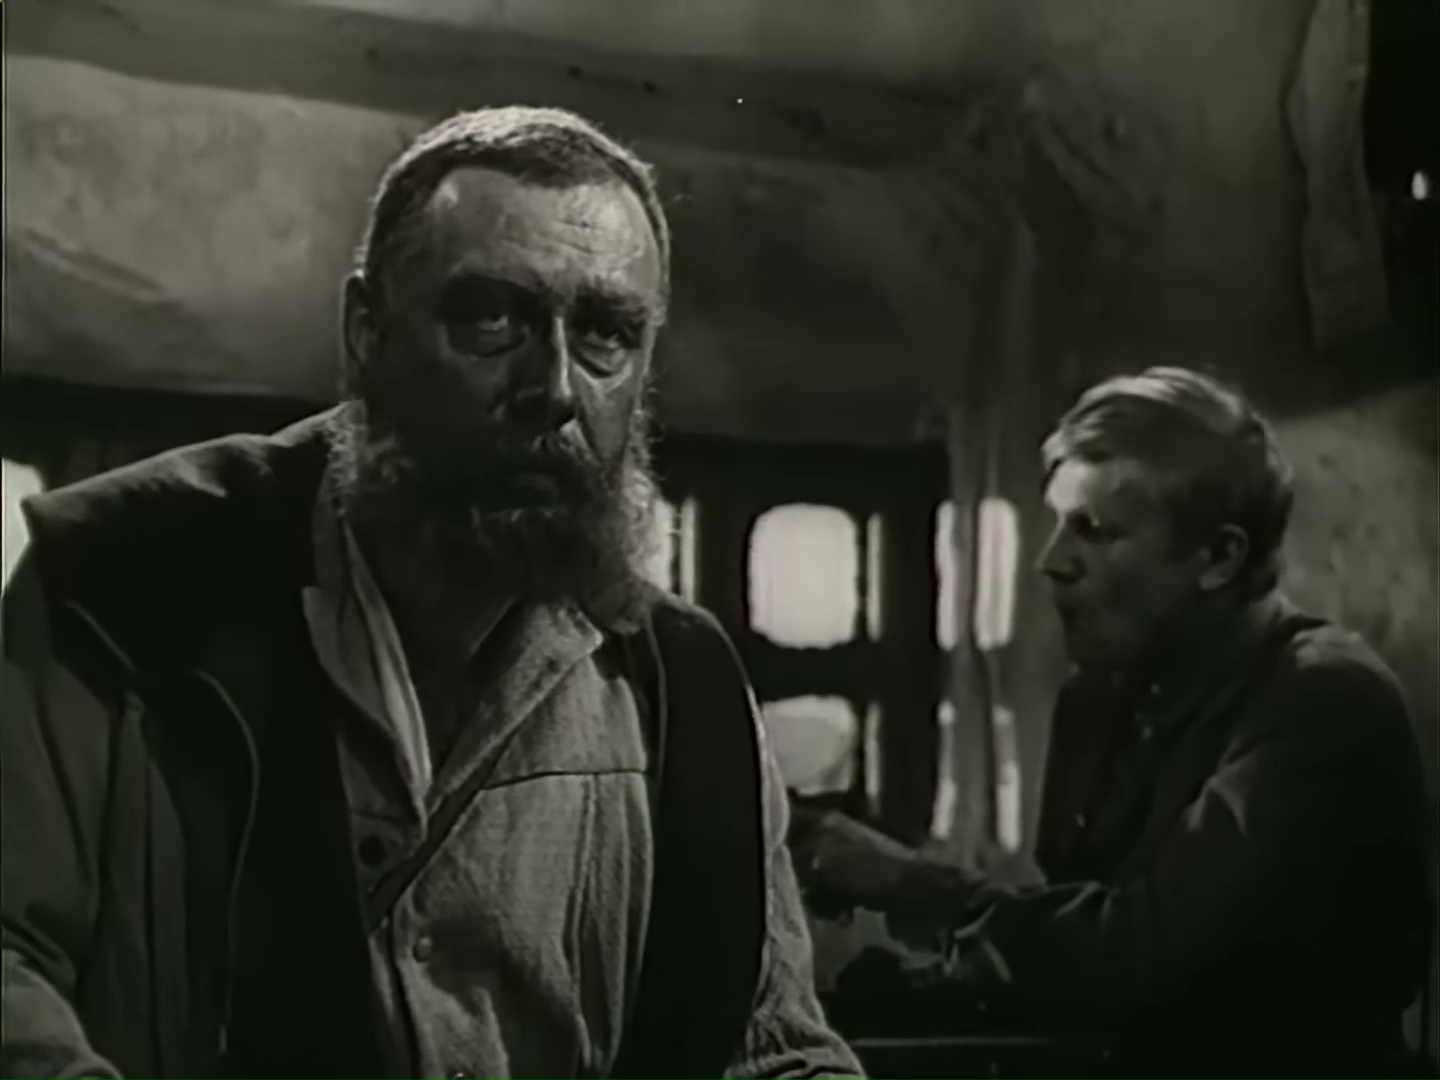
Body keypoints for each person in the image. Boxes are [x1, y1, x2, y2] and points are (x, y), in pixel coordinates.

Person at [0, 106, 863, 1080]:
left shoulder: (689, 693)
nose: (556, 387)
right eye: (492, 319)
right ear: (365, 333)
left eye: (606, 333)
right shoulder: (116, 587)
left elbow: (774, 1048)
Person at [794, 367, 1433, 1078]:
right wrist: (869, 1000)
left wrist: (907, 883)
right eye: (1057, 525)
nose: (1052, 563)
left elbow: (1147, 963)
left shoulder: (1324, 702)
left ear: (1219, 557)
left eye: (1094, 531)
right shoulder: (1099, 700)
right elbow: (1073, 961)